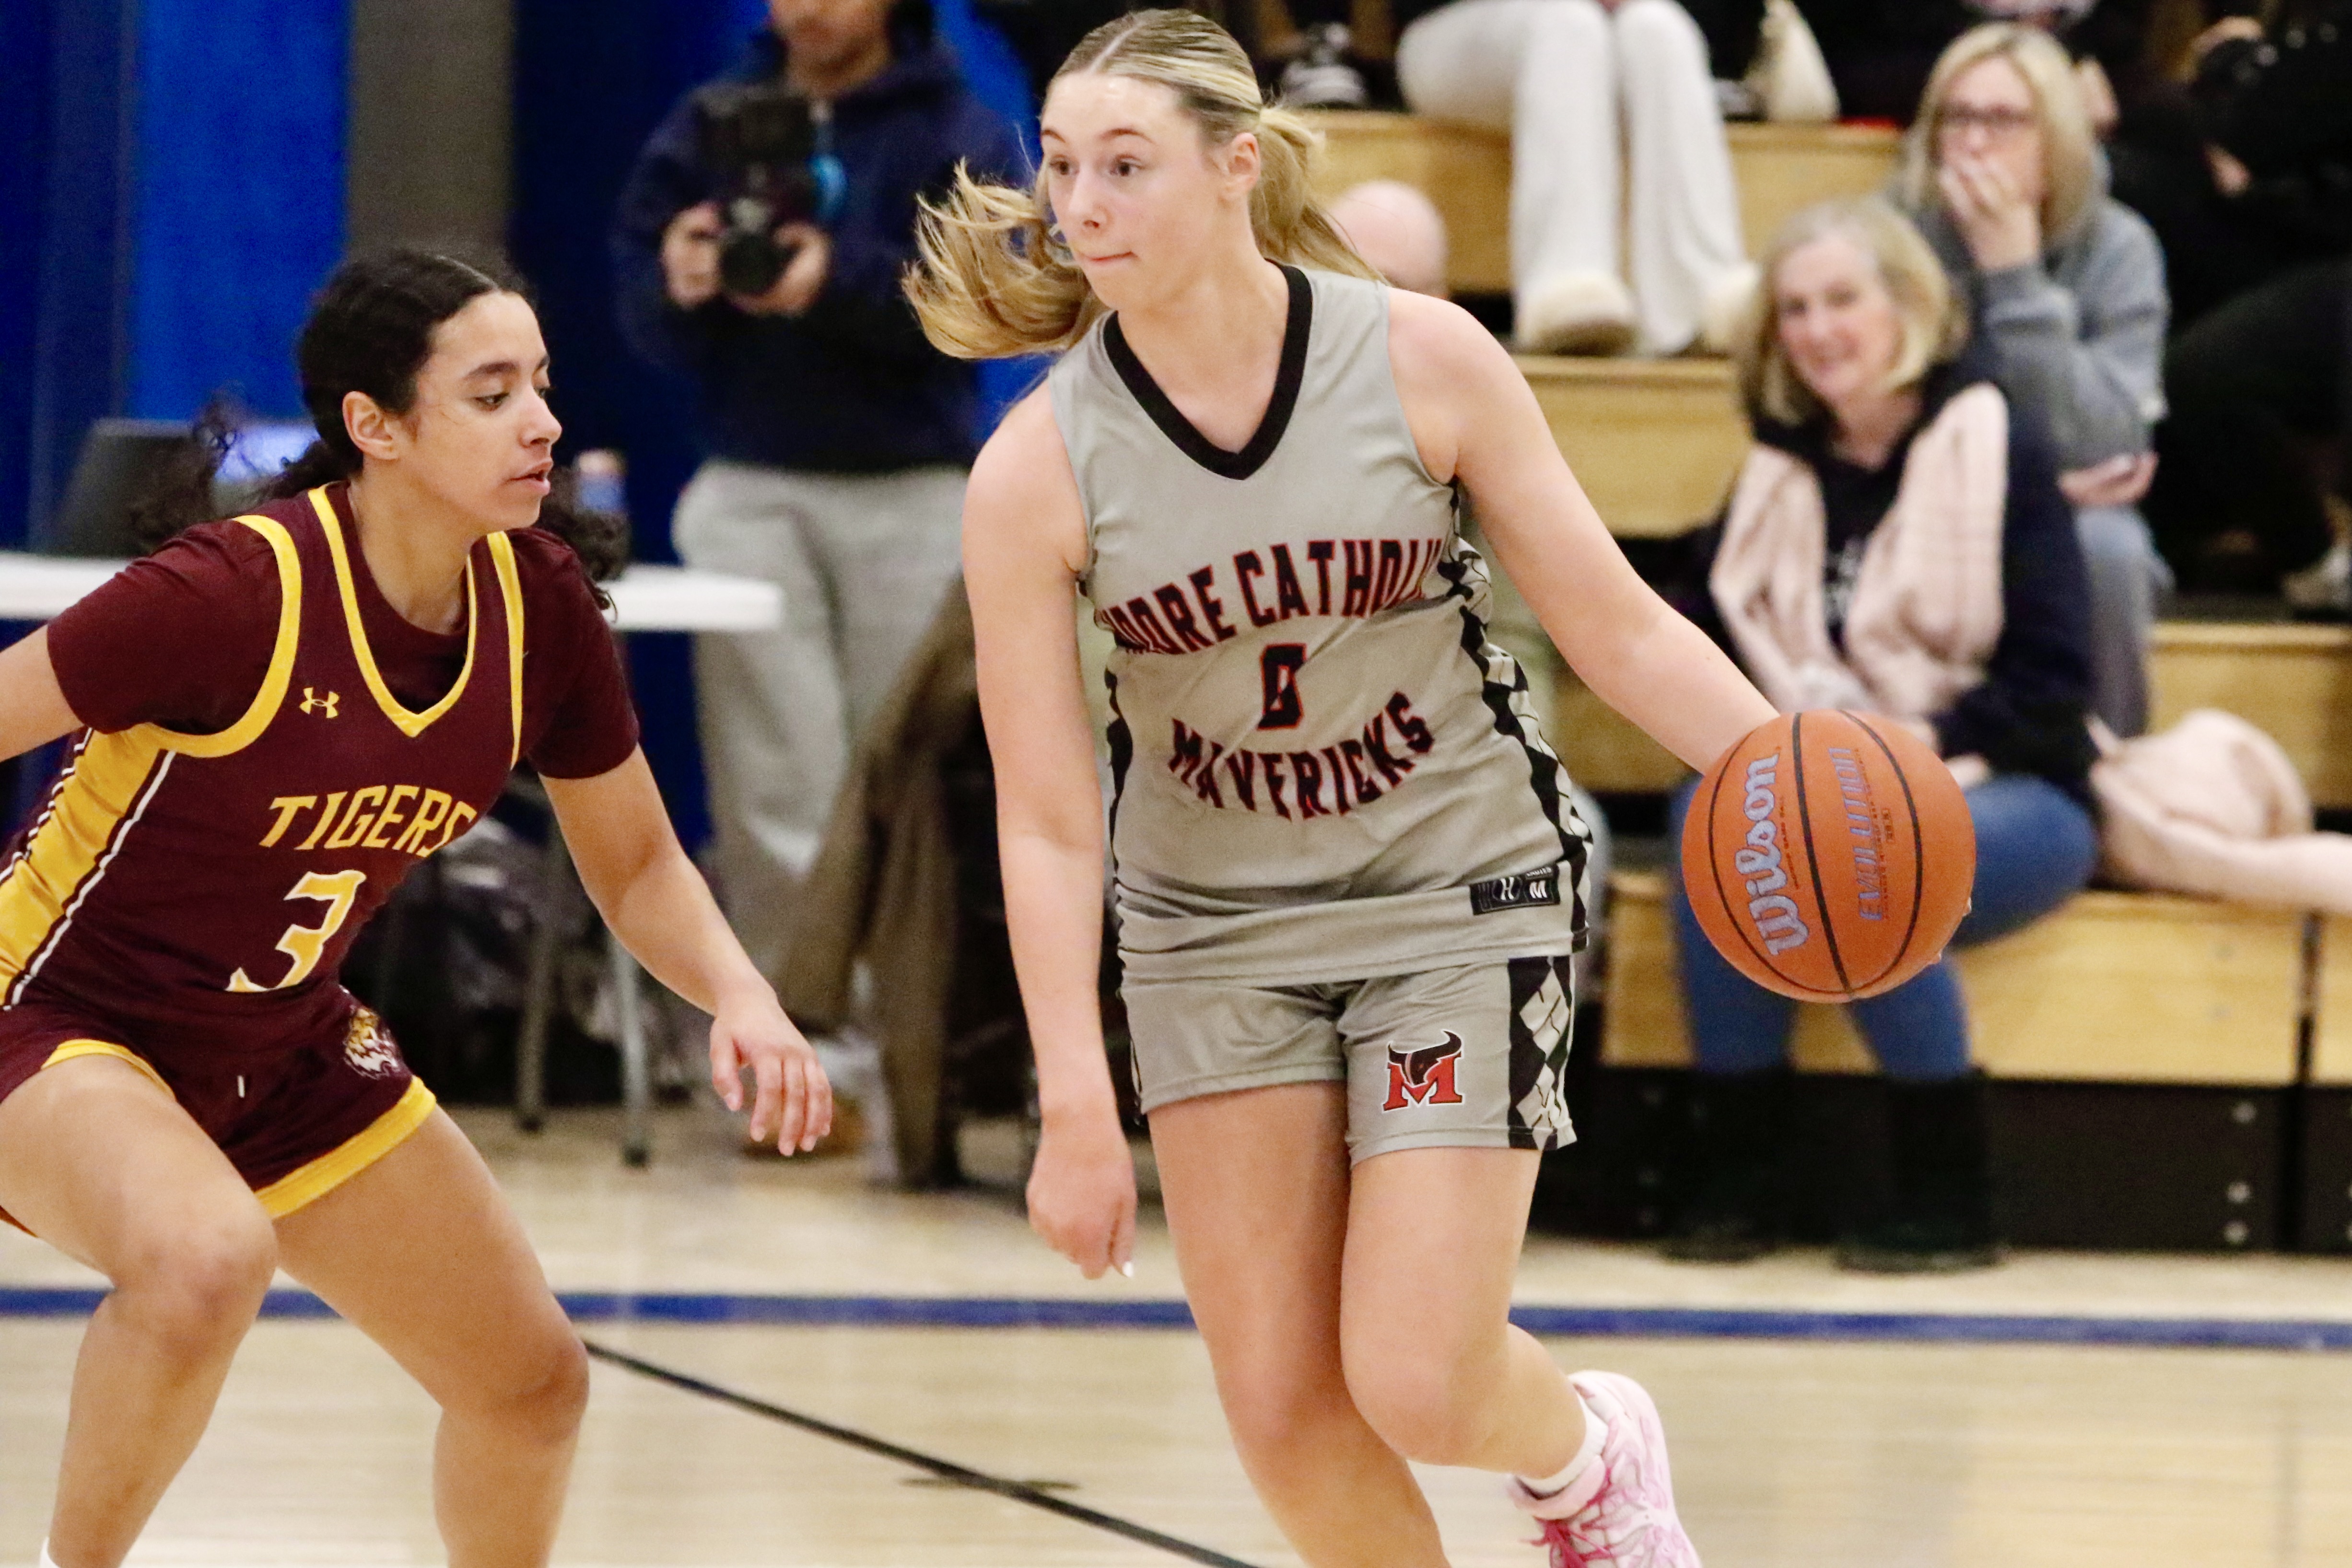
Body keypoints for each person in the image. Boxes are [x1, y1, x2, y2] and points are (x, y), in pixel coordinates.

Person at [907, 11, 1787, 1564]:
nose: (1080, 203)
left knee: (1416, 1380)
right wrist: (1070, 1099)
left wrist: (1781, 772)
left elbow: (1617, 627)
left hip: (1451, 898)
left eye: (1126, 164)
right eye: (1060, 165)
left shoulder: (1417, 355)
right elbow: (1046, 818)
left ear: (1235, 167)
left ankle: (1586, 1463)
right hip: (1213, 940)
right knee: (1287, 1419)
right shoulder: (1035, 472)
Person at [0, 248, 830, 1568]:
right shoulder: (231, 593)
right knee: (206, 1256)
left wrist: (741, 990)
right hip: (54, 1017)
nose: (543, 420)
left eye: (543, 384)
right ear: (374, 427)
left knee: (530, 1382)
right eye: (493, 391)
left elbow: (636, 865)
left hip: (279, 1039)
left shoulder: (538, 600)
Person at [1661, 198, 2099, 1273]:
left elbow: (2053, 686)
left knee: (1858, 834)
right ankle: (1742, 1168)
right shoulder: (1775, 469)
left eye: (1841, 299)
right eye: (1795, 308)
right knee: (1708, 814)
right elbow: (1704, 631)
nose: (1816, 329)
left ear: (1905, 304)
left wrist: (1896, 751)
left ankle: (1954, 1191)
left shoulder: (1994, 440)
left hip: (2016, 790)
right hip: (1838, 769)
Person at [612, 0, 1025, 984]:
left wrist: (838, 280)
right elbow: (641, 298)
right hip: (750, 483)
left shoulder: (956, 128)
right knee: (773, 785)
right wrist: (678, 279)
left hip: (913, 490)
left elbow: (980, 304)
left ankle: (913, 1049)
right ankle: (802, 1054)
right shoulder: (711, 119)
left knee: (907, 784)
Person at [1896, 22, 2169, 736]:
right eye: (1958, 117)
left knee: (2110, 547)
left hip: (2072, 508)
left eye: (2003, 120)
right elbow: (1868, 419)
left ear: (2058, 140)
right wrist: (2017, 491)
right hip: (1920, 499)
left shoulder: (2119, 247)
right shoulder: (1898, 240)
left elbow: (2108, 444)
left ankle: (2108, 778)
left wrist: (2014, 278)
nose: (1975, 142)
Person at [1393, 0, 1757, 356]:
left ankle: (1699, 297)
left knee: (1660, 27)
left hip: (1605, 31)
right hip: (1450, 30)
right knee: (1566, 23)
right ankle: (1568, 284)